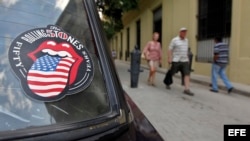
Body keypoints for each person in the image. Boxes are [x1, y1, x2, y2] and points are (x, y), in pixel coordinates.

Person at [167, 27, 194, 96]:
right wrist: (169, 58)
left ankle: (186, 89)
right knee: (172, 72)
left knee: (187, 74)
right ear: (180, 32)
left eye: (185, 32)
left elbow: (186, 50)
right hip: (176, 60)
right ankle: (168, 82)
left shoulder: (186, 40)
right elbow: (170, 49)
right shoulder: (174, 40)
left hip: (184, 60)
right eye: (183, 32)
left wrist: (187, 59)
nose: (184, 33)